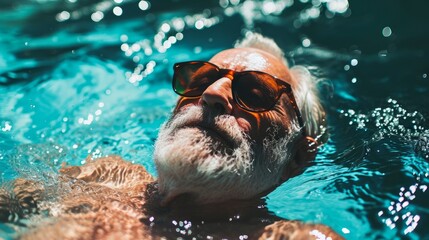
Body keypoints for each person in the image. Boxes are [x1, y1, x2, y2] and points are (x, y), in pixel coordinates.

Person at [0, 33, 340, 239]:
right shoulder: (99, 178)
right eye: (200, 79)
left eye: (255, 91)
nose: (213, 94)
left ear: (296, 158)